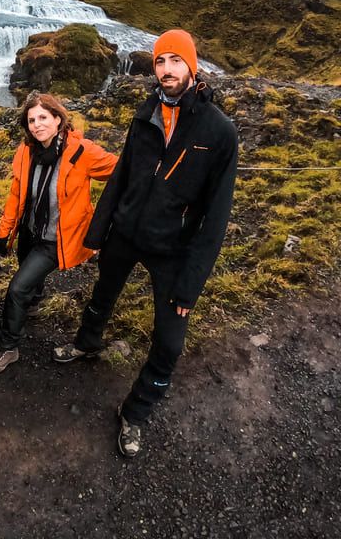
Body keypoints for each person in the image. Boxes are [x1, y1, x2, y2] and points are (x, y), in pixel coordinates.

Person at [52, 29, 238, 458]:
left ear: (192, 67)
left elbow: (217, 219)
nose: (167, 69)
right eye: (160, 61)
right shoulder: (148, 110)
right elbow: (121, 177)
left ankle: (135, 411)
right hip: (126, 232)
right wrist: (98, 233)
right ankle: (87, 342)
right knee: (102, 292)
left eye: (175, 60)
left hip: (172, 249)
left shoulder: (220, 132)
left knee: (170, 342)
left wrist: (192, 283)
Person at [0, 93, 117, 375]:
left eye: (43, 117)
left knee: (17, 289)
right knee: (28, 281)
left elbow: (120, 170)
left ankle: (8, 347)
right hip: (30, 231)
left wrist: (107, 217)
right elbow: (17, 193)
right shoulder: (26, 151)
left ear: (58, 119)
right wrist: (5, 232)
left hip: (56, 238)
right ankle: (35, 302)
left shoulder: (81, 152)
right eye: (31, 120)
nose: (37, 124)